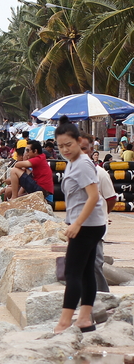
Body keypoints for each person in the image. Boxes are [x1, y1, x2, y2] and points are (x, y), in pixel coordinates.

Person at [53, 117, 108, 334]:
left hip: (87, 226)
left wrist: (76, 224)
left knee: (72, 272)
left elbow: (93, 197)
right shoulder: (72, 163)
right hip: (88, 224)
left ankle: (64, 322)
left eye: (69, 144)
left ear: (78, 141)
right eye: (60, 146)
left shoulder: (83, 164)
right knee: (85, 272)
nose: (65, 150)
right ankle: (84, 319)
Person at [80, 132, 117, 294]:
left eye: (84, 148)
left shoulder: (100, 173)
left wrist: (103, 214)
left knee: (95, 263)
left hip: (95, 227)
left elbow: (111, 198)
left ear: (91, 150)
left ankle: (102, 296)